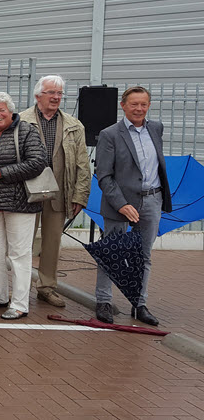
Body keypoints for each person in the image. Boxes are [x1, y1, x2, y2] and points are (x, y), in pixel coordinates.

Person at [93, 86, 171, 326]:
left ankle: (139, 304)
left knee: (143, 256)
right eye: (134, 104)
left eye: (144, 104)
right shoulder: (109, 134)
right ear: (123, 105)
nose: (139, 109)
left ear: (149, 106)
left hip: (152, 199)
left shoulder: (155, 128)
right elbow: (104, 175)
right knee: (111, 253)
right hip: (121, 203)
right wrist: (122, 204)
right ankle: (104, 301)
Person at [0, 92, 47, 320]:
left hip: (19, 203)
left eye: (1, 110)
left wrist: (2, 173)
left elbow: (37, 162)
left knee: (19, 254)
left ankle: (20, 303)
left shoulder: (25, 131)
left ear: (11, 111)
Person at [19, 75, 91, 309]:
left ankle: (46, 287)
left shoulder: (73, 124)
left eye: (60, 93)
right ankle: (19, 289)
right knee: (22, 243)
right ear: (38, 96)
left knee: (52, 243)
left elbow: (83, 164)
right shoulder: (20, 121)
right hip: (26, 190)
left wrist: (80, 196)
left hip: (60, 190)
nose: (56, 97)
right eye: (51, 93)